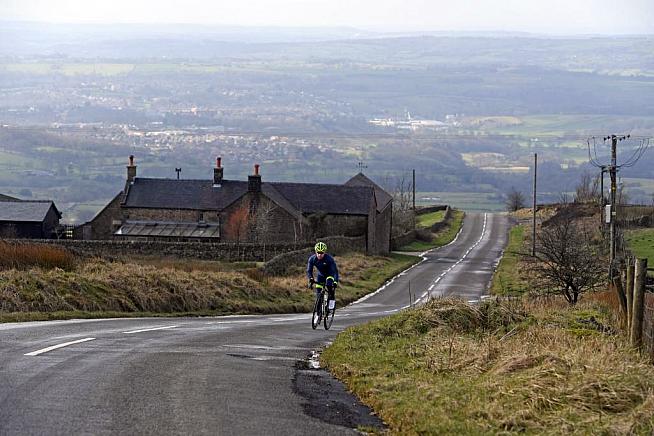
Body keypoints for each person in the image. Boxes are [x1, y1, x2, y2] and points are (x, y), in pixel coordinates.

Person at [307, 241, 339, 311]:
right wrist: (311, 279)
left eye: (321, 253)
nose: (319, 255)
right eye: (318, 252)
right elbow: (309, 270)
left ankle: (331, 299)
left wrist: (335, 282)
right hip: (320, 275)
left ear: (324, 252)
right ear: (315, 252)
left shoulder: (329, 259)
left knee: (329, 285)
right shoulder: (312, 259)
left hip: (330, 274)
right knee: (318, 295)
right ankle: (318, 314)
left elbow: (335, 271)